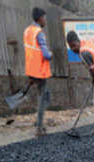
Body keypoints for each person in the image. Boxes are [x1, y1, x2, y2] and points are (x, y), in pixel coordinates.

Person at [24, 7, 53, 137]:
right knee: (43, 98)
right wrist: (52, 54)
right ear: (40, 18)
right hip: (40, 70)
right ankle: (39, 128)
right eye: (44, 18)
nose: (45, 20)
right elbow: (46, 54)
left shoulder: (27, 31)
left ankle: (38, 123)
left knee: (43, 96)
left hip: (31, 69)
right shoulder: (39, 32)